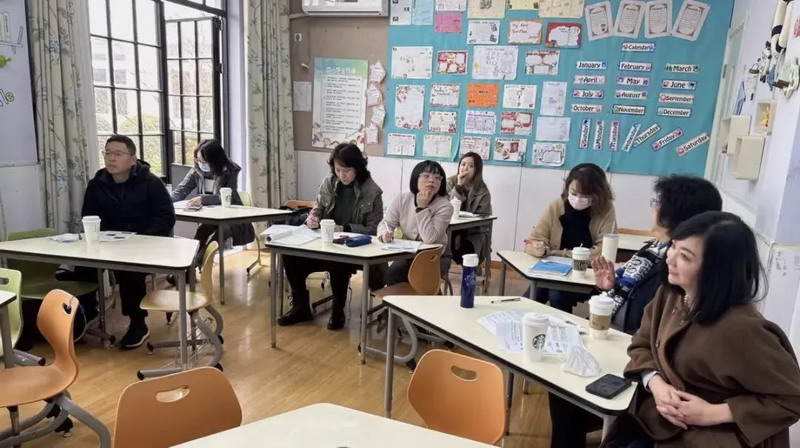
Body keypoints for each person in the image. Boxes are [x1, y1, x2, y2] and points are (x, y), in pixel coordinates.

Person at [548, 175, 723, 448]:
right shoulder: (654, 251)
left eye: (658, 202)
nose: (653, 208)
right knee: (561, 389)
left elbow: (649, 333)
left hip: (633, 364)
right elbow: (626, 303)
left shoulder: (674, 272)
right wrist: (608, 287)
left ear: (673, 214)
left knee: (566, 391)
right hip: (618, 346)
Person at [605, 211, 800, 447]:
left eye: (685, 257)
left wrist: (713, 413)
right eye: (673, 246)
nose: (670, 259)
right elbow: (641, 344)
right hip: (659, 423)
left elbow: (791, 398)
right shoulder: (671, 294)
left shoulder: (743, 329)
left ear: (716, 271)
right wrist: (656, 384)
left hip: (714, 437)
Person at [82, 135, 175, 349]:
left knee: (129, 271)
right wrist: (103, 236)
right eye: (107, 153)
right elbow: (88, 215)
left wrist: (142, 238)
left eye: (118, 154)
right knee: (81, 266)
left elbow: (166, 217)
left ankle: (138, 323)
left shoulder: (151, 183)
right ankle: (86, 314)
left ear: (133, 159)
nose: (111, 158)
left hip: (144, 244)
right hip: (109, 243)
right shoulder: (97, 184)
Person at [278, 143, 384, 330]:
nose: (342, 175)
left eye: (347, 170)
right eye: (337, 170)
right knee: (290, 255)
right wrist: (313, 217)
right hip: (325, 243)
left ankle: (337, 310)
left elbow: (374, 229)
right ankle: (301, 307)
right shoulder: (329, 182)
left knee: (338, 260)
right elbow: (318, 207)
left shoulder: (372, 191)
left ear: (358, 167)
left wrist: (345, 228)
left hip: (354, 249)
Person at [523, 163, 615, 312]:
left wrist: (559, 253)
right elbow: (535, 238)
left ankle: (563, 326)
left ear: (597, 195)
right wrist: (538, 248)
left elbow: (602, 252)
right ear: (567, 188)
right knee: (534, 294)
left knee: (556, 293)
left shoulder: (606, 210)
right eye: (574, 193)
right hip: (554, 271)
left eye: (585, 196)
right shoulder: (556, 206)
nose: (578, 199)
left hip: (587, 275)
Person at [170, 139, 254, 269]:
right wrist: (165, 201)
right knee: (202, 231)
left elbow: (228, 197)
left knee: (221, 232)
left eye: (203, 161)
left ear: (214, 161)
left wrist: (203, 200)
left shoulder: (230, 170)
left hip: (232, 216)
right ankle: (189, 266)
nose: (200, 163)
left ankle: (190, 267)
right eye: (198, 159)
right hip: (210, 215)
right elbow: (181, 191)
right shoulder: (197, 169)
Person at [378, 160, 453, 285]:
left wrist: (422, 208)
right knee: (393, 273)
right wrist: (384, 233)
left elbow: (429, 238)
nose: (432, 180)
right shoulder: (403, 199)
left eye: (437, 177)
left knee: (421, 279)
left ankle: (430, 295)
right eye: (426, 176)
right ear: (415, 178)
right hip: (408, 253)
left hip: (435, 256)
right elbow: (386, 223)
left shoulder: (445, 206)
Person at [446, 152, 492, 266]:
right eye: (463, 164)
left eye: (471, 166)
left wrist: (462, 231)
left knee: (467, 249)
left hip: (473, 233)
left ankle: (471, 269)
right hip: (450, 230)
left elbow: (483, 221)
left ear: (477, 170)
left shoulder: (483, 191)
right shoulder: (450, 183)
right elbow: (446, 208)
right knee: (443, 245)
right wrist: (459, 187)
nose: (465, 168)